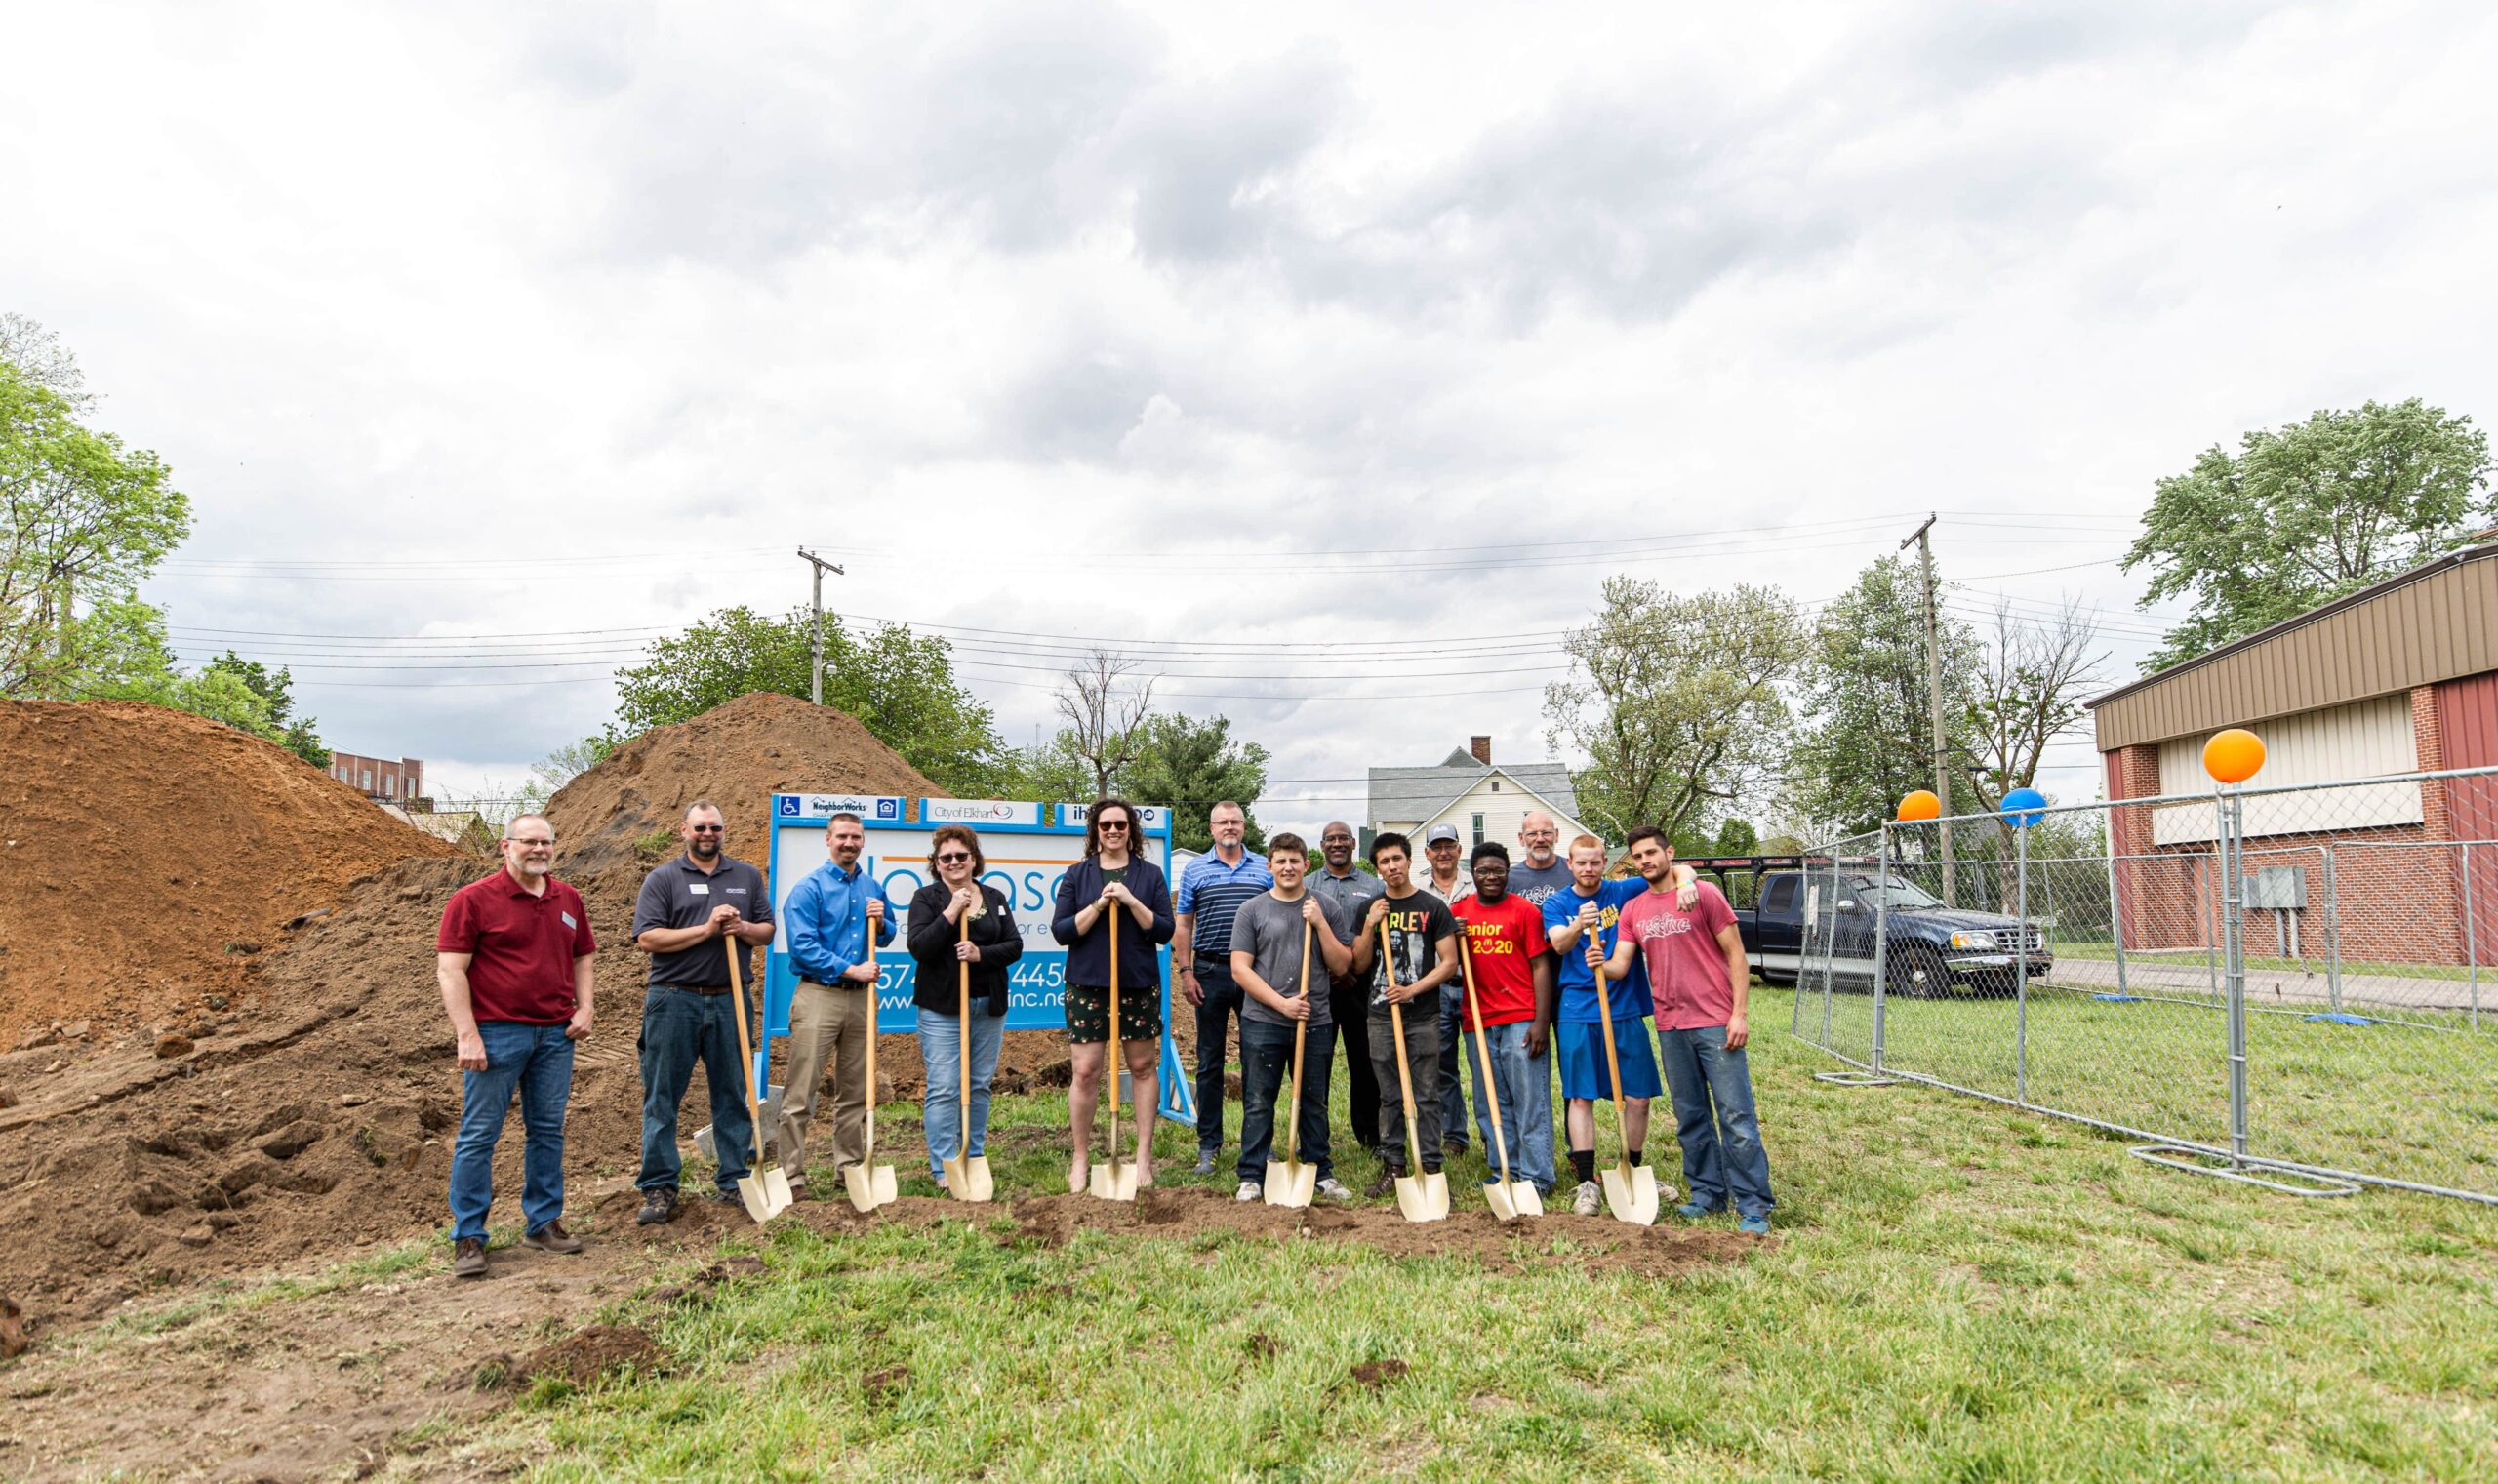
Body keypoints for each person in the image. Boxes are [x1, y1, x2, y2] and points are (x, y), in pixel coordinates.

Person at [434, 814, 595, 1278]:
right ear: (506, 846)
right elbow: (451, 970)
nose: (539, 850)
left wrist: (586, 1008)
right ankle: (468, 1236)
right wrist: (467, 1033)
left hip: (555, 1035)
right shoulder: (473, 900)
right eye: (529, 842)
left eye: (546, 842)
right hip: (497, 1033)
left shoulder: (569, 899)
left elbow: (583, 956)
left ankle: (543, 1223)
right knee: (479, 1134)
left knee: (547, 1130)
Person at [1601, 826, 1775, 1233]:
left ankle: (1753, 1203)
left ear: (1669, 854)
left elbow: (1737, 956)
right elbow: (1620, 965)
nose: (1646, 861)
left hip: (1715, 1021)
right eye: (1638, 856)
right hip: (1670, 1024)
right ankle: (1707, 1193)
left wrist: (1739, 1013)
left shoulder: (1703, 895)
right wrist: (1594, 958)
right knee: (1690, 1116)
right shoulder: (1634, 910)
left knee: (1735, 1115)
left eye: (1651, 853)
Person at [629, 802, 775, 1223]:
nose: (707, 833)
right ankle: (659, 1186)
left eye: (715, 827)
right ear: (683, 831)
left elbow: (766, 929)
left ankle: (733, 1178)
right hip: (674, 999)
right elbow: (649, 939)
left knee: (732, 1091)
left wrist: (742, 928)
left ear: (723, 830)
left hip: (731, 997)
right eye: (700, 827)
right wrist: (707, 930)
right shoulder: (663, 879)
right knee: (662, 1096)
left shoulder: (746, 876)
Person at [1544, 834, 1675, 1217]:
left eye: (1595, 862)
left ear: (1606, 862)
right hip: (1577, 1010)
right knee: (1581, 1096)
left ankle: (1632, 1169)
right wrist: (1577, 927)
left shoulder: (1625, 891)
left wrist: (1684, 885)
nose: (1588, 869)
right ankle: (1587, 1181)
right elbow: (1558, 945)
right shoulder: (1557, 903)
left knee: (1638, 1097)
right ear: (1569, 864)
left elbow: (1679, 870)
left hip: (1624, 1007)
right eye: (1580, 863)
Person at [1053, 797, 1176, 1192]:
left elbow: (1163, 930)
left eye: (1120, 825)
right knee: (1085, 1071)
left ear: (1131, 830)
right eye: (1105, 825)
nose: (1113, 831)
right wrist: (1100, 903)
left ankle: (1142, 1156)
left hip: (1137, 982)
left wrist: (1129, 899)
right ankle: (1081, 1157)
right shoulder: (1077, 875)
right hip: (1087, 983)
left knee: (1142, 1067)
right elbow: (1063, 931)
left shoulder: (1150, 875)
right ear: (1095, 831)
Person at [1229, 833, 1357, 1202]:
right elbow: (1240, 969)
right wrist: (1281, 1005)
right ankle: (1252, 1174)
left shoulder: (1325, 906)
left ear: (1306, 865)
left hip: (1314, 1020)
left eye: (1294, 861)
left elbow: (1342, 964)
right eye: (1280, 861)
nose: (1287, 867)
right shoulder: (1251, 910)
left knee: (1313, 1099)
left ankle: (1320, 1170)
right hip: (1263, 1021)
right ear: (1269, 866)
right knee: (1258, 1099)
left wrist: (1319, 924)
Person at [780, 811, 897, 1199]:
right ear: (828, 840)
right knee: (801, 1092)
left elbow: (889, 934)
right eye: (842, 837)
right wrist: (852, 969)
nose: (850, 843)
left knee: (856, 1091)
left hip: (861, 1002)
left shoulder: (872, 886)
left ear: (863, 841)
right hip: (819, 996)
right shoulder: (808, 889)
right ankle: (791, 1176)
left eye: (856, 837)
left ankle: (847, 1168)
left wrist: (881, 923)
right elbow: (803, 947)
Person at [907, 824, 1024, 1189]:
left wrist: (979, 954)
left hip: (988, 1004)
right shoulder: (926, 899)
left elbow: (1014, 945)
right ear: (936, 864)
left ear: (974, 860)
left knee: (979, 1084)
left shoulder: (994, 896)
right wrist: (951, 913)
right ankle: (944, 1165)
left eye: (962, 856)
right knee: (943, 1086)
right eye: (946, 858)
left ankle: (973, 1154)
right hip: (942, 1007)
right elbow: (920, 948)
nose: (955, 862)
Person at [1350, 832, 1462, 1198]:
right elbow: (1360, 962)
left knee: (1428, 1092)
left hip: (1424, 1014)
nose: (1392, 866)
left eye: (1397, 858)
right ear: (1377, 868)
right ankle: (1394, 1164)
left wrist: (1411, 990)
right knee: (1390, 1095)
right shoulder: (1369, 907)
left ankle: (1430, 1164)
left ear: (1410, 860)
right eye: (1384, 862)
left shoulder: (1433, 907)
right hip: (1381, 1016)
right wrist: (1369, 924)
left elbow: (1449, 964)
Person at [1449, 842, 1557, 1199]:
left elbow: (1540, 966)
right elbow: (1445, 956)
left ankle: (1537, 1175)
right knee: (1489, 1100)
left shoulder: (1524, 911)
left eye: (1498, 870)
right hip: (1477, 1019)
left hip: (1520, 1017)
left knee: (1530, 1099)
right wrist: (1452, 933)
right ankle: (1503, 1169)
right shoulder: (1459, 912)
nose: (1491, 877)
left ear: (1508, 872)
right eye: (1483, 871)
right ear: (1473, 874)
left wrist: (1541, 1021)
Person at [1173, 801, 1271, 1176]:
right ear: (1211, 828)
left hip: (1256, 974)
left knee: (1258, 1059)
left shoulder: (1264, 868)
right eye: (1222, 822)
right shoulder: (1196, 870)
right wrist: (1186, 972)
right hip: (1211, 971)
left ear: (1244, 827)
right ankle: (1208, 1145)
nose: (1229, 827)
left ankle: (1259, 1142)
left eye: (1236, 821)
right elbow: (1183, 925)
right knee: (1210, 1062)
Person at [1307, 821, 1385, 1157]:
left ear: (1353, 843)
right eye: (1330, 839)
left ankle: (1369, 1135)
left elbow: (1376, 937)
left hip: (1359, 987)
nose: (1337, 844)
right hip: (1318, 986)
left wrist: (1351, 970)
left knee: (1364, 1063)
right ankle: (1313, 1133)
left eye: (1343, 838)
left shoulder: (1373, 886)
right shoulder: (1307, 885)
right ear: (1322, 846)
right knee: (1316, 1063)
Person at [1414, 822, 1473, 1162]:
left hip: (1473, 985)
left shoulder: (1475, 884)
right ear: (1427, 854)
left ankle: (1493, 1131)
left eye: (1449, 845)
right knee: (1441, 1065)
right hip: (1436, 987)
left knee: (1481, 1064)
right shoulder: (1419, 890)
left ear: (1459, 850)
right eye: (1436, 847)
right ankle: (1454, 1135)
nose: (1443, 852)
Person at [1507, 810, 1576, 906]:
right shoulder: (1508, 879)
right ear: (1521, 838)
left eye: (1546, 833)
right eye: (1532, 834)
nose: (1540, 839)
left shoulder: (1575, 872)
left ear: (1556, 835)